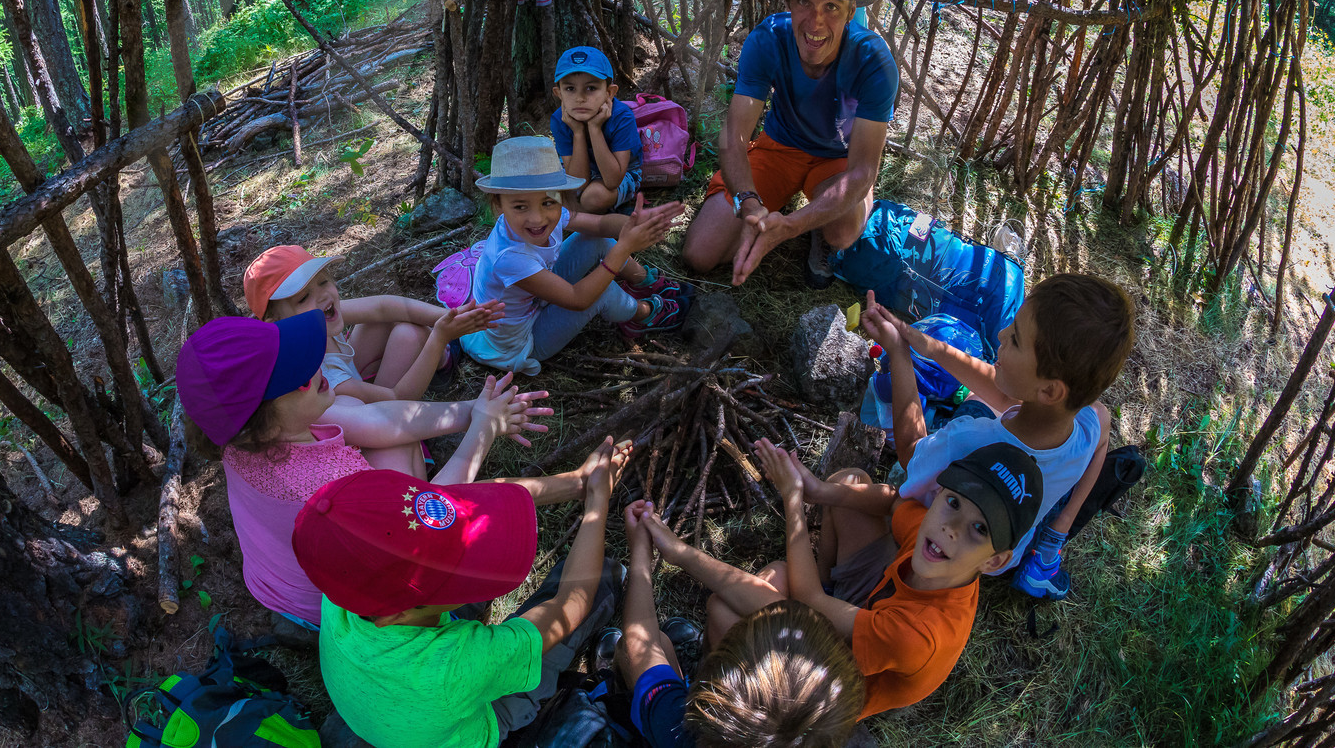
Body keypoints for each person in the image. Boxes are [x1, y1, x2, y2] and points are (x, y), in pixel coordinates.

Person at [177, 312, 622, 628]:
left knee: (378, 424)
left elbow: (386, 421)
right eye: (299, 374)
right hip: (338, 606)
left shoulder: (249, 436)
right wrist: (482, 432)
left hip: (282, 585)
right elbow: (430, 517)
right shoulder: (322, 487)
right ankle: (579, 486)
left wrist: (476, 410)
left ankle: (575, 484)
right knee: (438, 503)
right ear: (264, 420)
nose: (316, 366)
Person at [637, 439, 1043, 720]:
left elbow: (807, 602)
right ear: (939, 493)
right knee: (848, 483)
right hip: (865, 609)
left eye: (979, 529)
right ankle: (832, 595)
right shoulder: (939, 539)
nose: (951, 527)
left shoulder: (920, 634)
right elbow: (895, 501)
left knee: (724, 611)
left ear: (996, 562)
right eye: (953, 502)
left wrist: (794, 500)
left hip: (839, 689)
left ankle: (712, 694)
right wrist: (819, 490)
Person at [293, 450, 626, 748]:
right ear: (398, 613)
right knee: (595, 587)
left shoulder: (345, 577)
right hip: (460, 714)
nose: (474, 569)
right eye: (454, 577)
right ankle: (613, 577)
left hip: (382, 705)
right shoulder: (456, 665)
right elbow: (570, 606)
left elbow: (458, 501)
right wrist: (598, 501)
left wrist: (577, 482)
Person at [860, 272, 1137, 599]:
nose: (1002, 335)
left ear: (1049, 390)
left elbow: (910, 450)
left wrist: (900, 352)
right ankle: (1051, 545)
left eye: (1016, 339)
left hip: (953, 541)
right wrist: (930, 347)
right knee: (1087, 414)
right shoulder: (1090, 428)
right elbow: (1008, 398)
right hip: (1004, 551)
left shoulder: (970, 441)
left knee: (975, 404)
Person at [681, 0, 898, 288]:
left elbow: (862, 170)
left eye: (832, 7)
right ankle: (785, 217)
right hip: (778, 147)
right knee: (700, 254)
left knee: (842, 232)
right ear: (789, 4)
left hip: (838, 160)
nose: (816, 22)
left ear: (850, 11)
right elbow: (734, 135)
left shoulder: (874, 60)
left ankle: (816, 228)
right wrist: (748, 203)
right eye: (804, 3)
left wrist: (791, 225)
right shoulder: (769, 39)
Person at [606, 497, 866, 748]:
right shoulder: (816, 733)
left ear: (717, 695)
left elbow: (639, 643)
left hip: (663, 721)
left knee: (654, 645)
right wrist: (679, 553)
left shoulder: (677, 729)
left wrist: (640, 552)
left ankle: (625, 705)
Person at [462, 136, 686, 376]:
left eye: (548, 202)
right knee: (604, 291)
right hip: (522, 342)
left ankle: (643, 282)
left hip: (536, 302)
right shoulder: (509, 258)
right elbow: (578, 299)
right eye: (520, 207)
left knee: (592, 238)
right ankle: (643, 315)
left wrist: (634, 224)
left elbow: (599, 226)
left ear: (559, 197)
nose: (537, 218)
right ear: (498, 205)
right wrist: (624, 248)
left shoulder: (550, 214)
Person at [245, 244, 496, 403]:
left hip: (357, 380)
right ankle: (441, 363)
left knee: (380, 319)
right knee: (410, 334)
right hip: (375, 411)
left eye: (323, 282)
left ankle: (438, 358)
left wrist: (449, 316)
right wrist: (438, 337)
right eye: (303, 297)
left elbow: (382, 307)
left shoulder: (310, 323)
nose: (322, 295)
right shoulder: (320, 377)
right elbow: (396, 399)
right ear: (276, 322)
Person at [550, 45, 644, 214]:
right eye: (570, 89)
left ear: (609, 92)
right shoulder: (559, 120)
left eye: (591, 88)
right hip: (582, 172)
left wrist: (594, 128)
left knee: (593, 197)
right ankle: (581, 216)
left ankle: (574, 216)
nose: (580, 98)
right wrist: (578, 132)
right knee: (546, 196)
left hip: (621, 175)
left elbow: (612, 181)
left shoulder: (622, 117)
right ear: (559, 94)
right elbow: (578, 182)